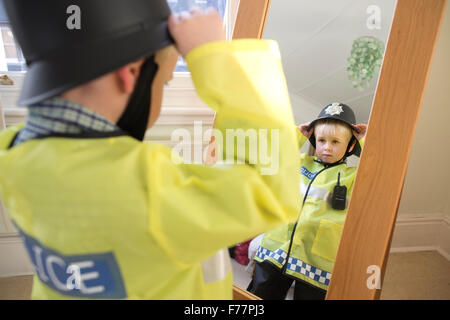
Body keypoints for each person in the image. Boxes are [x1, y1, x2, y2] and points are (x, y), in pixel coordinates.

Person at [0, 1, 301, 299]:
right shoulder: (148, 191)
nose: (162, 87)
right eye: (165, 82)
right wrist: (220, 62)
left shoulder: (12, 152)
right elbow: (269, 188)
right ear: (130, 74)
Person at [247, 102, 367, 300]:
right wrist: (297, 134)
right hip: (275, 249)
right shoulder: (299, 162)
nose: (326, 147)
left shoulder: (353, 177)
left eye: (335, 142)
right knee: (259, 296)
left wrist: (363, 140)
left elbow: (378, 168)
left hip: (317, 262)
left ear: (350, 145)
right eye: (321, 140)